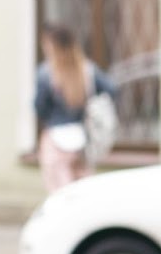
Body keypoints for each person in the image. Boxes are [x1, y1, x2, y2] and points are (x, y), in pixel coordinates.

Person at [33, 24, 115, 193]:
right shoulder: (87, 70)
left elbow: (39, 107)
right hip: (81, 139)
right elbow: (111, 90)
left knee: (60, 195)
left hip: (55, 139)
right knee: (81, 193)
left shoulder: (46, 73)